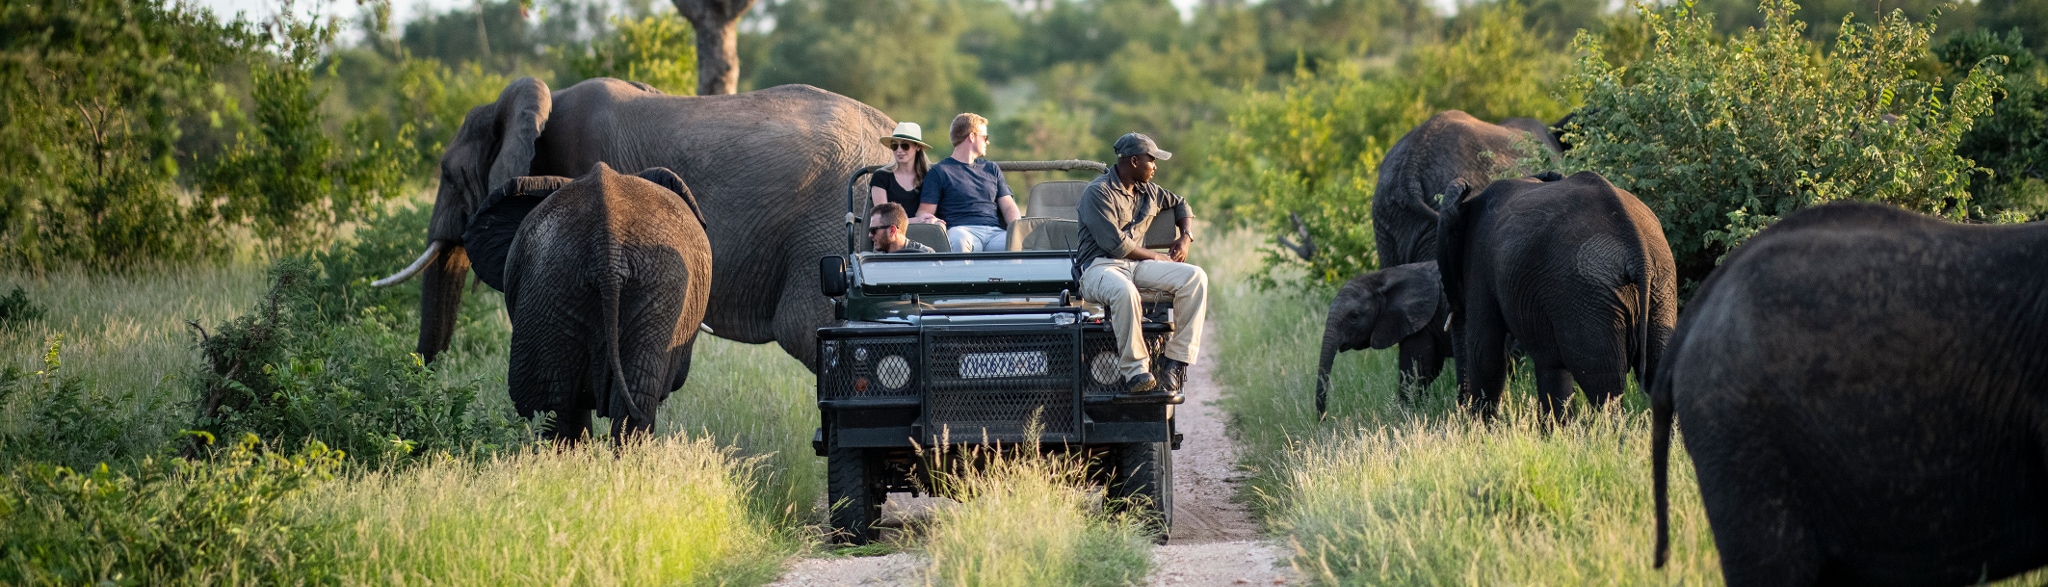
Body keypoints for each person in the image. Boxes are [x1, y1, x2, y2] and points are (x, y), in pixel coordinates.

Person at [1074, 132, 1205, 393]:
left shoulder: (1149, 191)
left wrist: (1185, 238)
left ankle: (1175, 361)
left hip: (1135, 267)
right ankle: (1136, 372)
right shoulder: (1098, 193)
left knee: (1195, 277)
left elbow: (1181, 204)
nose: (1155, 166)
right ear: (1134, 161)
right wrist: (1158, 256)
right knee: (1124, 290)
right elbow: (1117, 245)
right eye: (1152, 160)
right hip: (1100, 267)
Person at [918, 113, 1021, 252]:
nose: (987, 142)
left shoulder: (992, 169)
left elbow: (1008, 206)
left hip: (995, 233)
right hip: (961, 231)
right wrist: (932, 221)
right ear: (972, 136)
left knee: (1018, 243)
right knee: (959, 240)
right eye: (985, 137)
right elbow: (924, 212)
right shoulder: (939, 172)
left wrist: (1018, 229)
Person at [870, 122, 941, 223]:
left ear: (918, 147)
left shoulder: (930, 177)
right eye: (894, 146)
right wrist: (917, 220)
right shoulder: (881, 176)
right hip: (890, 235)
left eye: (905, 145)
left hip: (923, 234)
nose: (899, 150)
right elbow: (883, 219)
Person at [869, 202, 933, 254]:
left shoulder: (926, 256)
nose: (870, 235)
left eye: (873, 230)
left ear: (892, 230)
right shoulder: (874, 261)